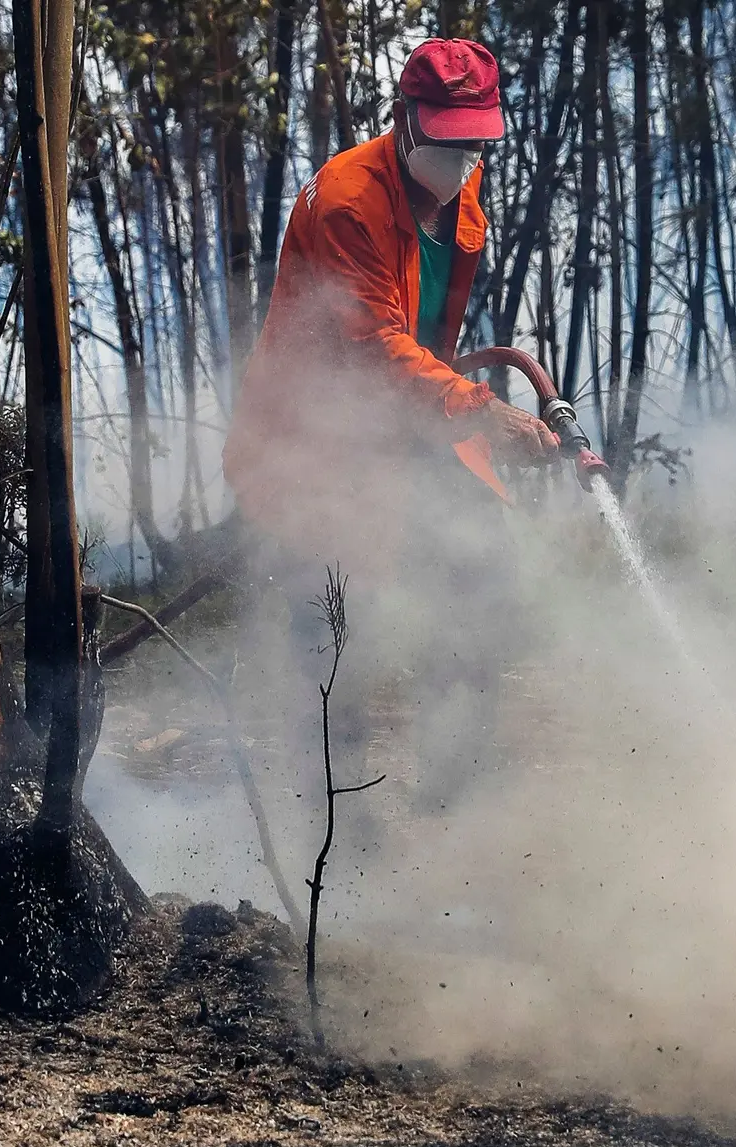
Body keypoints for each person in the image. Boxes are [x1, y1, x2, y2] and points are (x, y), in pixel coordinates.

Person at [223, 37, 554, 806]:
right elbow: (370, 344)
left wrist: (459, 415)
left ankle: (455, 796)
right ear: (404, 120)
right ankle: (338, 828)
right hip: (316, 439)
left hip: (409, 417)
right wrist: (480, 409)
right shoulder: (348, 201)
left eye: (476, 142)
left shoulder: (463, 198)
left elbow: (419, 332)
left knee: (483, 578)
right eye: (446, 138)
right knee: (333, 624)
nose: (462, 157)